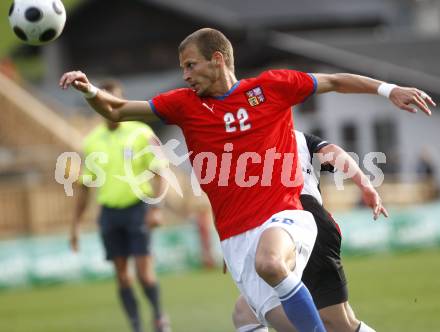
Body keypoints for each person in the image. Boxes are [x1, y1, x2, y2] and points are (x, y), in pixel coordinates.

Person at [60, 28, 435, 332]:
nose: (186, 75)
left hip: (288, 215)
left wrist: (389, 90)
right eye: (182, 69)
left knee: (271, 263)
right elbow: (118, 108)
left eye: (191, 65)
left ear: (217, 59)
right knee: (256, 318)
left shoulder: (271, 86)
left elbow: (335, 81)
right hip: (236, 240)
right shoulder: (185, 105)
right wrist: (90, 91)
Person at [232, 130, 387, 332]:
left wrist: (366, 187)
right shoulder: (248, 141)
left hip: (305, 222)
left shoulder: (295, 139)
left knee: (338, 322)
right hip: (274, 231)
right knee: (245, 313)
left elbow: (332, 152)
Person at [70, 80, 171, 332]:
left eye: (114, 100)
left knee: (144, 273)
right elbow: (85, 186)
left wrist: (156, 208)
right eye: (104, 100)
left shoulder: (141, 132)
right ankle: (136, 325)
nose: (109, 105)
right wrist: (75, 225)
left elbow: (160, 171)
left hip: (137, 208)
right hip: (109, 214)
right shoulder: (91, 141)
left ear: (122, 103)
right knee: (123, 277)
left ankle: (159, 316)